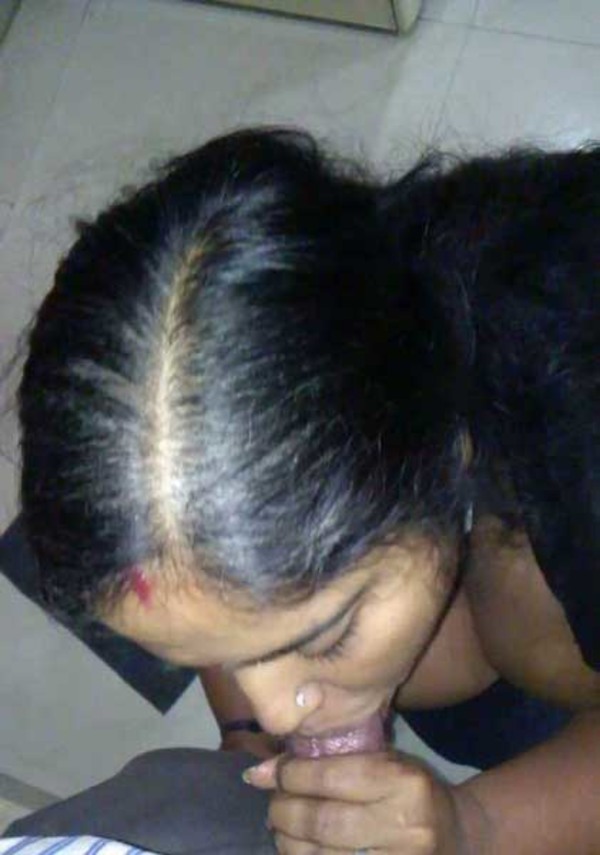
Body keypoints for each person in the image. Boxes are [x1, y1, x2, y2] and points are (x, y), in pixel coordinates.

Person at [9, 127, 600, 853]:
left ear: (450, 449)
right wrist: (244, 736)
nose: (281, 714)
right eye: (231, 657)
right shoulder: (351, 312)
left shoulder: (578, 457)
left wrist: (480, 826)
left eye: (328, 636)